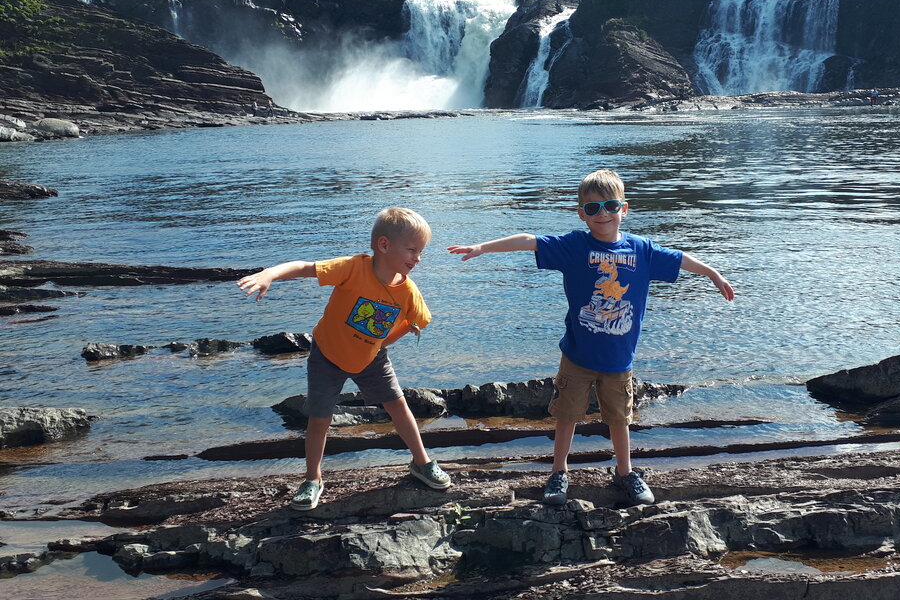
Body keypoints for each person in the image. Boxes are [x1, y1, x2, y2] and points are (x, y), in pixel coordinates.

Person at [448, 169, 734, 507]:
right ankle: (559, 471)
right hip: (578, 356)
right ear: (581, 213)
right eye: (593, 208)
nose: (603, 215)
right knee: (567, 414)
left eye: (610, 206)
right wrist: (482, 247)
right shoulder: (574, 246)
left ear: (624, 209)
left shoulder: (642, 250)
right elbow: (530, 240)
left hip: (619, 359)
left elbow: (680, 258)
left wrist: (713, 274)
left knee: (619, 417)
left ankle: (625, 472)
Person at [237, 207, 451, 511]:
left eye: (421, 252)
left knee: (398, 406)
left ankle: (422, 462)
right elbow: (305, 267)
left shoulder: (408, 291)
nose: (418, 258)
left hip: (372, 359)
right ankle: (313, 479)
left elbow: (420, 321)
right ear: (384, 245)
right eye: (413, 250)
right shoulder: (353, 268)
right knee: (320, 417)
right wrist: (269, 274)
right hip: (327, 355)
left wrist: (384, 340)